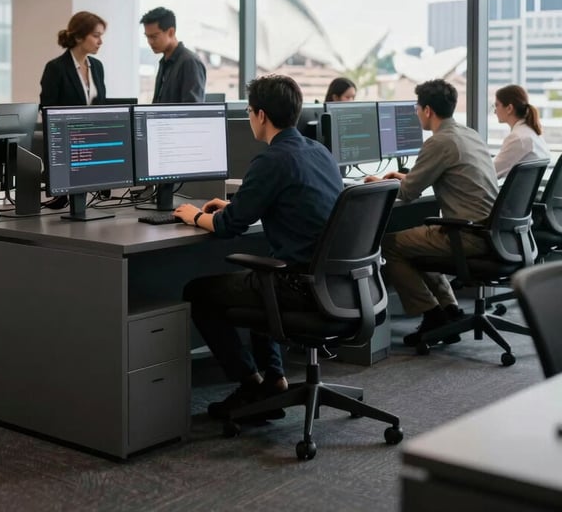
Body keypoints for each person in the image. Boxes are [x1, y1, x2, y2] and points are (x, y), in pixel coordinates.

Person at [174, 75, 343, 419]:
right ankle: (275, 379)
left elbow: (228, 228)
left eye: (250, 111)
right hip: (337, 284)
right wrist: (234, 206)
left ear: (261, 115)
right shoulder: (319, 152)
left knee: (200, 291)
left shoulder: (271, 161)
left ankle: (250, 382)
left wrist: (193, 215)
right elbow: (286, 203)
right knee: (261, 273)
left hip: (299, 287)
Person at [364, 79, 498, 346]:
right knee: (419, 240)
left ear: (427, 110)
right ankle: (449, 309)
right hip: (489, 231)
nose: (416, 113)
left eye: (416, 108)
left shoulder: (439, 142)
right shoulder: (468, 133)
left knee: (389, 244)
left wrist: (377, 182)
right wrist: (405, 176)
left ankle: (432, 314)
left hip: (468, 234)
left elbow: (406, 194)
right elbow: (428, 178)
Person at [39, 11, 107, 108]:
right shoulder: (55, 68)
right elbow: (48, 109)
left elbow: (102, 104)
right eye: (96, 36)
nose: (100, 42)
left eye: (101, 36)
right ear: (78, 37)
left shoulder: (97, 66)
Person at [140, 6, 206, 103]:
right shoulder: (165, 62)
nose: (150, 42)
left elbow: (192, 111)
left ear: (171, 32)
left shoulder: (189, 62)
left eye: (154, 37)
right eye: (147, 37)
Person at [492, 84, 550, 180]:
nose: (495, 111)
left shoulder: (518, 138)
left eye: (497, 105)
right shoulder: (531, 132)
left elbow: (492, 172)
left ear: (509, 108)